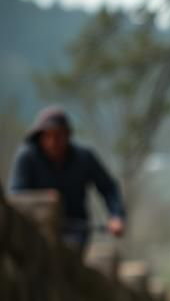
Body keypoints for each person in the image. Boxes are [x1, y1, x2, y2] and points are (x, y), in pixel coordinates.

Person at [8, 106, 125, 252]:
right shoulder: (26, 157)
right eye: (48, 136)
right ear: (40, 137)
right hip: (34, 230)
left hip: (75, 230)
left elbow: (109, 187)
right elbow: (17, 196)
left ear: (68, 135)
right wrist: (42, 200)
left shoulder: (84, 158)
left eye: (58, 136)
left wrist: (116, 216)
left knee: (68, 253)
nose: (53, 142)